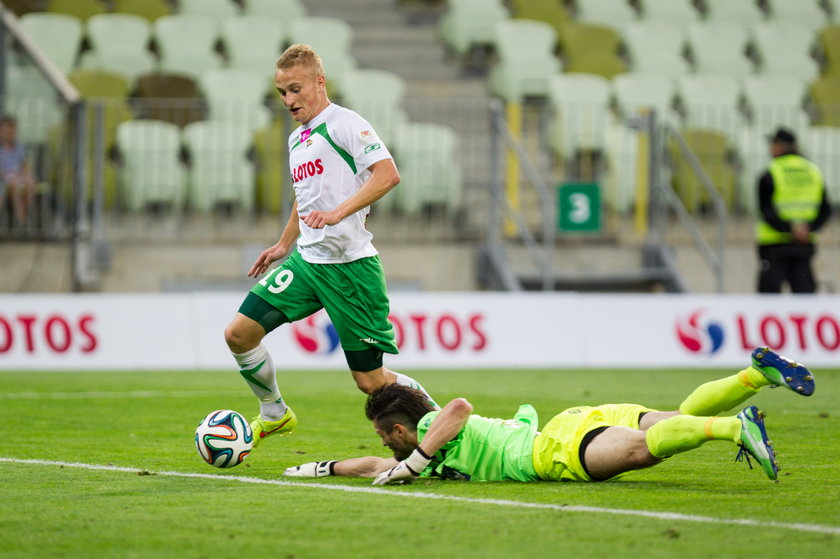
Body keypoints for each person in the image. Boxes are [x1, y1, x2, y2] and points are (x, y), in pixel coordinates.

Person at [223, 44, 436, 448]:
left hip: (349, 268)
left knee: (371, 382)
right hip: (308, 262)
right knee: (239, 334)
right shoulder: (297, 139)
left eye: (295, 89)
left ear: (319, 82)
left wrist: (339, 212)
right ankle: (274, 413)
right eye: (282, 92)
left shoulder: (345, 124)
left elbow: (387, 175)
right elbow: (304, 197)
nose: (288, 100)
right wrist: (285, 242)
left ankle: (446, 426)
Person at [284, 347, 815, 484]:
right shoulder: (419, 447)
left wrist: (418, 460)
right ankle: (753, 377)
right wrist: (319, 468)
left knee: (640, 450)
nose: (382, 447)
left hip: (553, 452)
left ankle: (735, 428)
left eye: (383, 437)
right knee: (670, 417)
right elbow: (373, 469)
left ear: (399, 429)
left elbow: (459, 409)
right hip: (574, 420)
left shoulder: (428, 434)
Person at [756, 127, 832, 293]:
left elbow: (766, 211)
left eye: (773, 143)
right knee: (805, 299)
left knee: (767, 302)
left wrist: (790, 229)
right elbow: (826, 210)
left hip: (774, 246)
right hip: (803, 246)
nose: (770, 147)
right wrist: (807, 229)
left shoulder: (771, 172)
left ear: (781, 145)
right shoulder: (813, 171)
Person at [0, 115, 36, 226]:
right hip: (5, 177)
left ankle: (24, 215)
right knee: (15, 182)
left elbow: (25, 165)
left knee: (31, 181)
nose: (9, 134)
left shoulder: (19, 147)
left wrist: (25, 174)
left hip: (17, 175)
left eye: (11, 131)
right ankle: (20, 219)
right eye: (6, 131)